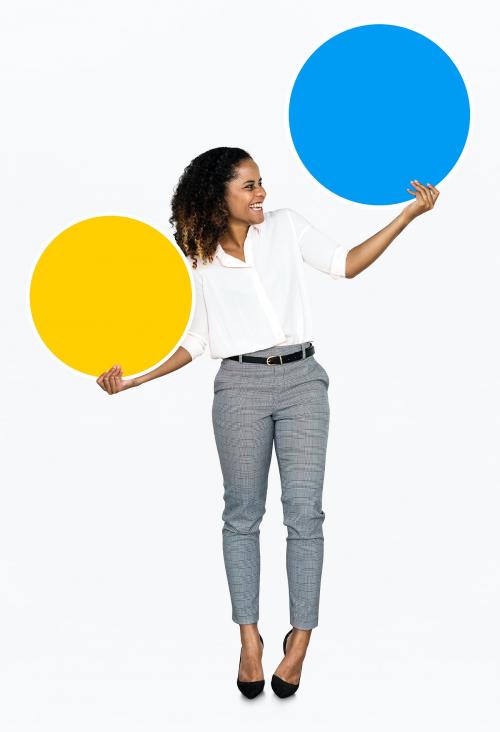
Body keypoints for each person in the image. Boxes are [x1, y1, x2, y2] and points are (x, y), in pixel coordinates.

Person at [96, 147, 439, 698]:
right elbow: (197, 340)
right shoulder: (198, 257)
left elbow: (345, 263)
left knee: (305, 513)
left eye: (261, 184)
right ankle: (250, 639)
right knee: (242, 515)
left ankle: (300, 642)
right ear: (219, 195)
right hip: (239, 388)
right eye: (249, 186)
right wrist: (133, 379)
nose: (261, 194)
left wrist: (405, 216)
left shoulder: (285, 228)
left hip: (303, 380)